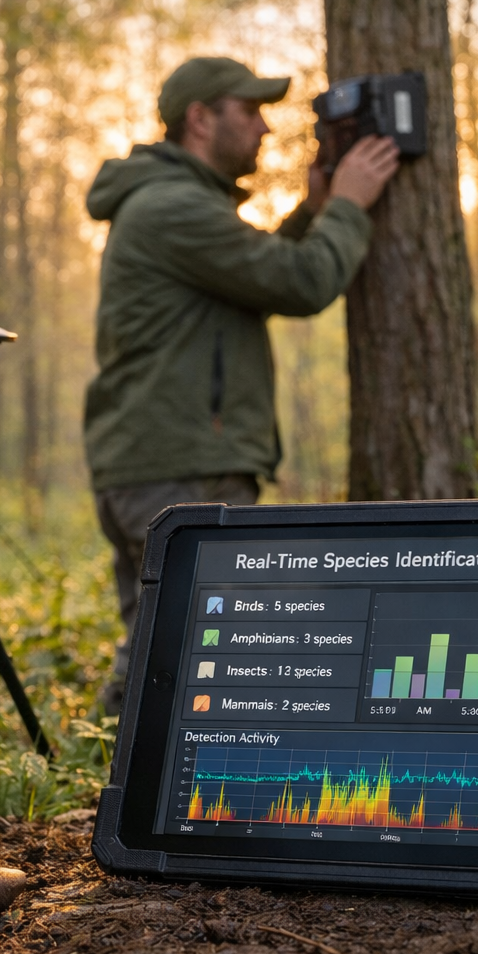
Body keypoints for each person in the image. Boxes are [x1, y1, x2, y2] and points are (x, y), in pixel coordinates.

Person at [85, 56, 400, 707]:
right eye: (248, 111)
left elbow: (250, 278)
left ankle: (99, 783)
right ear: (200, 119)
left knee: (160, 649)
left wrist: (311, 214)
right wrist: (347, 207)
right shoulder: (173, 207)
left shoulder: (175, 205)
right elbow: (300, 282)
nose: (263, 129)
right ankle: (125, 796)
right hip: (183, 468)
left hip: (162, 463)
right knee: (204, 658)